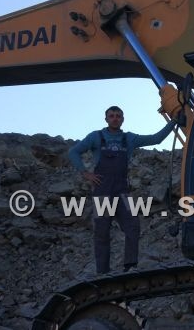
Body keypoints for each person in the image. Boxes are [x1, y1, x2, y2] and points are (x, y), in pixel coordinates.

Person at [68, 105, 175, 274]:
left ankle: (130, 267)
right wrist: (85, 173)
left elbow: (157, 139)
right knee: (102, 232)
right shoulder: (96, 137)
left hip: (121, 191)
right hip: (102, 192)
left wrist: (174, 121)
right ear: (106, 119)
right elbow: (73, 152)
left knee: (133, 225)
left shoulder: (129, 139)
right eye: (111, 116)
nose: (115, 118)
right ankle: (102, 273)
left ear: (123, 119)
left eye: (118, 116)